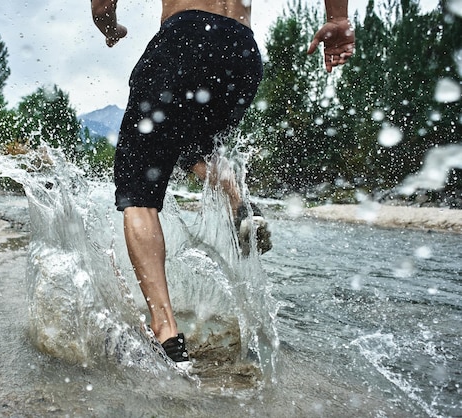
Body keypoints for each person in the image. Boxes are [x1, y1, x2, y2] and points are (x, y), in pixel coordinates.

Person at [91, 0, 355, 369]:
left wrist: (109, 27)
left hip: (183, 40)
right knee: (191, 145)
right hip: (241, 52)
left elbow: (103, 4)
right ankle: (238, 201)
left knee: (139, 191)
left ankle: (165, 332)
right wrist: (338, 19)